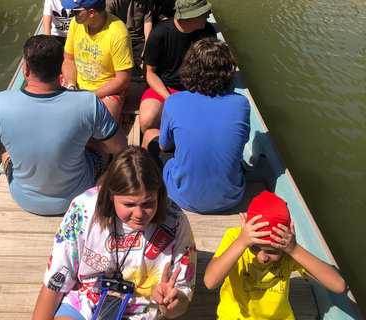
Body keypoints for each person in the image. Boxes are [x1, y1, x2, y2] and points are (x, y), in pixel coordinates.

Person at [32, 145, 197, 320]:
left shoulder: (176, 223)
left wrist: (168, 304)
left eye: (148, 203)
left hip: (143, 310)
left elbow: (181, 303)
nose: (139, 214)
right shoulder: (82, 211)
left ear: (159, 194)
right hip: (86, 299)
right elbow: (55, 283)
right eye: (129, 204)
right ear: (110, 194)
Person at [0, 35, 127, 216]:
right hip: (76, 195)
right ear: (61, 67)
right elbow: (119, 146)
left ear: (26, 69)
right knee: (103, 148)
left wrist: (10, 144)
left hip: (24, 198)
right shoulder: (87, 101)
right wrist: (88, 140)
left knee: (6, 149)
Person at [144, 38, 250, 214]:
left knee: (149, 134)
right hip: (232, 198)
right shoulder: (241, 103)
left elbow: (164, 145)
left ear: (189, 69)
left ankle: (147, 188)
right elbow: (240, 141)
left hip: (183, 197)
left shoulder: (174, 101)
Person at [203, 190, 346, 319]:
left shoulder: (288, 251)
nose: (262, 257)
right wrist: (241, 243)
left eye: (272, 251)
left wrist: (295, 249)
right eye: (255, 247)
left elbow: (338, 285)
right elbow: (210, 282)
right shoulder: (235, 238)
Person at [139, 0, 216, 134]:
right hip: (163, 86)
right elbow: (149, 73)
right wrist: (170, 99)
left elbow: (209, 70)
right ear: (186, 18)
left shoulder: (208, 32)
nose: (208, 17)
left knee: (202, 123)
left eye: (207, 12)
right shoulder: (159, 33)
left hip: (194, 88)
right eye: (203, 14)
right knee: (147, 120)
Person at [61, 0, 134, 122]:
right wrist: (71, 86)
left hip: (107, 90)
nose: (72, 13)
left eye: (76, 11)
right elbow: (68, 60)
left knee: (104, 122)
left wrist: (91, 96)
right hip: (76, 83)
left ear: (91, 13)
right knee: (49, 107)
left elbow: (123, 80)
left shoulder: (119, 35)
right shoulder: (76, 22)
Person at [106, 0, 153, 70]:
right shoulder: (111, 2)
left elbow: (148, 23)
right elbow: (107, 27)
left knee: (149, 66)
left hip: (139, 40)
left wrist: (147, 47)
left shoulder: (146, 1)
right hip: (119, 40)